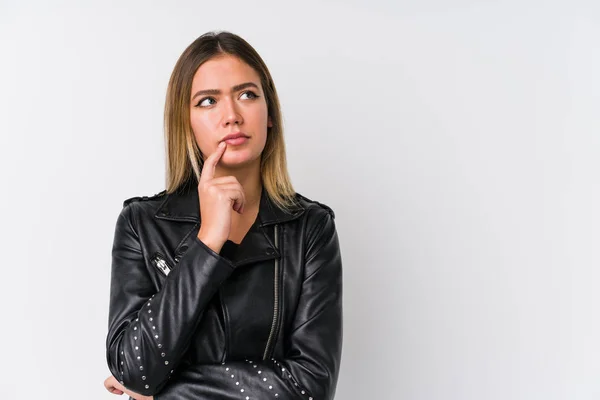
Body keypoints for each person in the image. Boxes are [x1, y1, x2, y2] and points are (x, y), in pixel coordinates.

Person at [103, 31, 343, 400]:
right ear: (185, 122)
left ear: (270, 115)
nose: (231, 116)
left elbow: (312, 386)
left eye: (247, 95)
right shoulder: (141, 224)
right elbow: (134, 368)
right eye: (207, 101)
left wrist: (169, 393)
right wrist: (208, 241)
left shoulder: (310, 228)